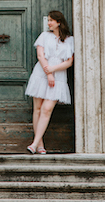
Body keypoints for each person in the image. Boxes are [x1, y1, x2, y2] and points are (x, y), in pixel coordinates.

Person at [25, 10, 74, 154]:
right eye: (48, 20)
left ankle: (33, 144)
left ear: (59, 22)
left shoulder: (69, 39)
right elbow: (40, 56)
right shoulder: (44, 36)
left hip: (58, 76)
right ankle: (39, 145)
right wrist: (48, 72)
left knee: (47, 109)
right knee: (38, 109)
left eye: (51, 20)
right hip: (41, 73)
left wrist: (52, 70)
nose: (49, 23)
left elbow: (69, 62)